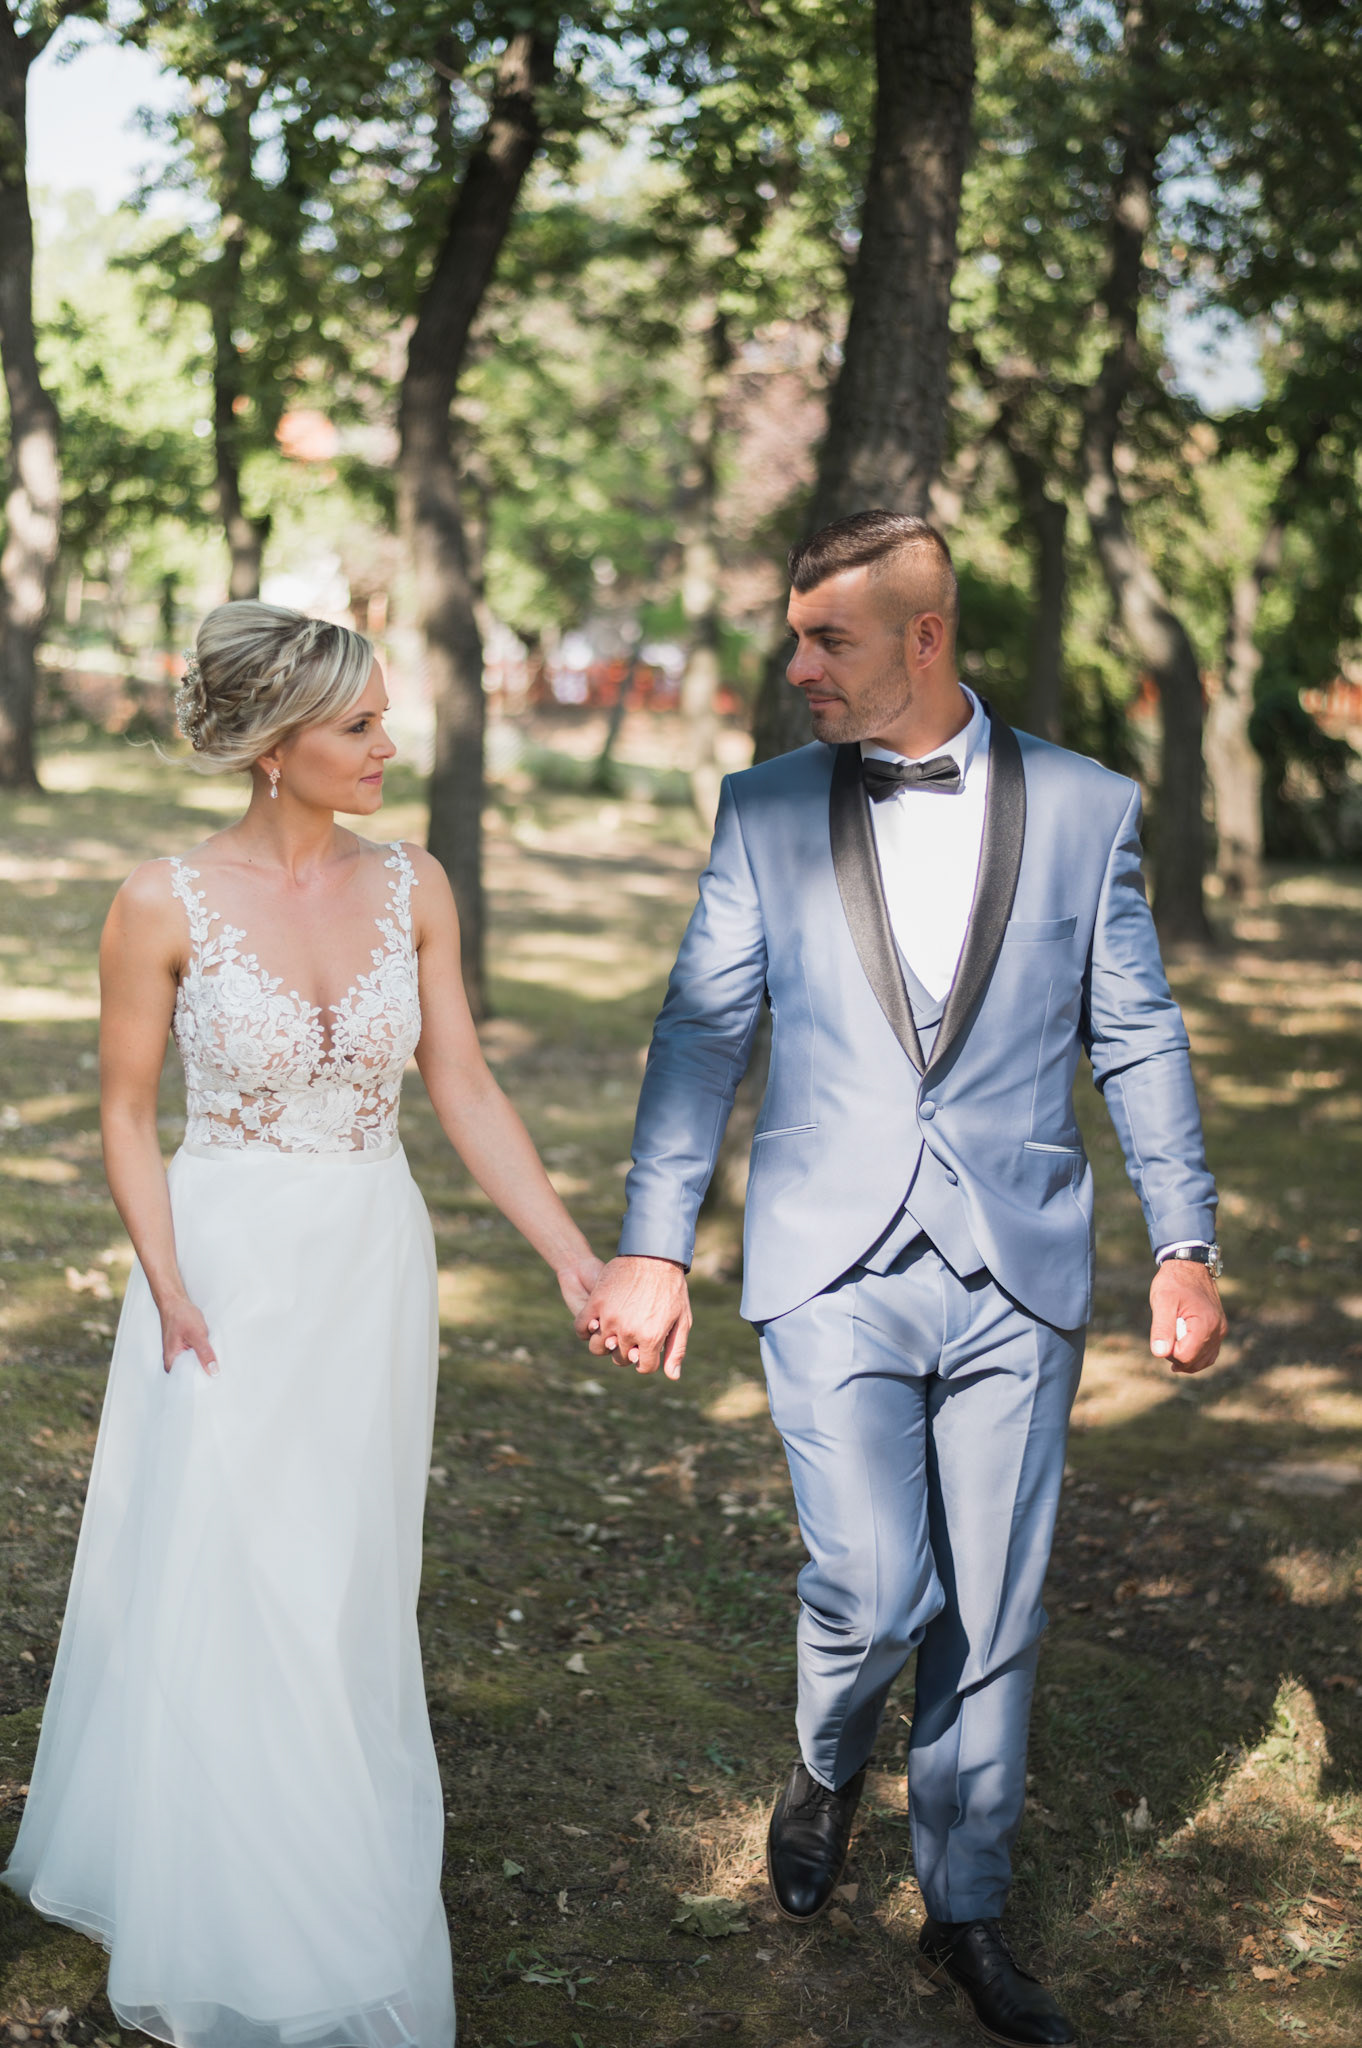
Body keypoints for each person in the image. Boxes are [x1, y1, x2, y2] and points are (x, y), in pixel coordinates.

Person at [576, 511, 1226, 2048]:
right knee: (874, 1587)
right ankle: (826, 1756)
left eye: (830, 640)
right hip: (828, 1254)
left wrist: (1182, 1243)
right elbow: (701, 1029)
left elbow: (1134, 1030)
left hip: (1017, 1262)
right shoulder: (764, 808)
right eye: (795, 637)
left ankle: (966, 1909)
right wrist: (653, 1241)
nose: (798, 666)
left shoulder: (1085, 805)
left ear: (923, 639)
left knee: (990, 1604)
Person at [4, 602, 601, 2048]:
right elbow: (126, 1114)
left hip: (369, 1262)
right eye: (359, 724)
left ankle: (327, 1845)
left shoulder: (416, 883)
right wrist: (168, 1282)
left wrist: (574, 1259)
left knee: (338, 1570)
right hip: (219, 1269)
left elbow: (461, 1086)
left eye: (384, 718)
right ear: (276, 745)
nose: (389, 745)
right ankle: (228, 1888)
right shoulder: (160, 901)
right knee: (235, 1562)